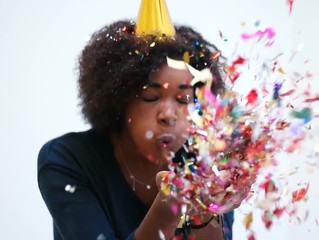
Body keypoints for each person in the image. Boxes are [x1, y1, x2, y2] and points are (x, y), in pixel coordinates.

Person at [37, 2, 246, 239]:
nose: (168, 114)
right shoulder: (67, 159)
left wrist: (204, 208)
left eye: (182, 99)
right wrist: (168, 208)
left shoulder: (205, 164)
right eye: (151, 96)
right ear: (118, 100)